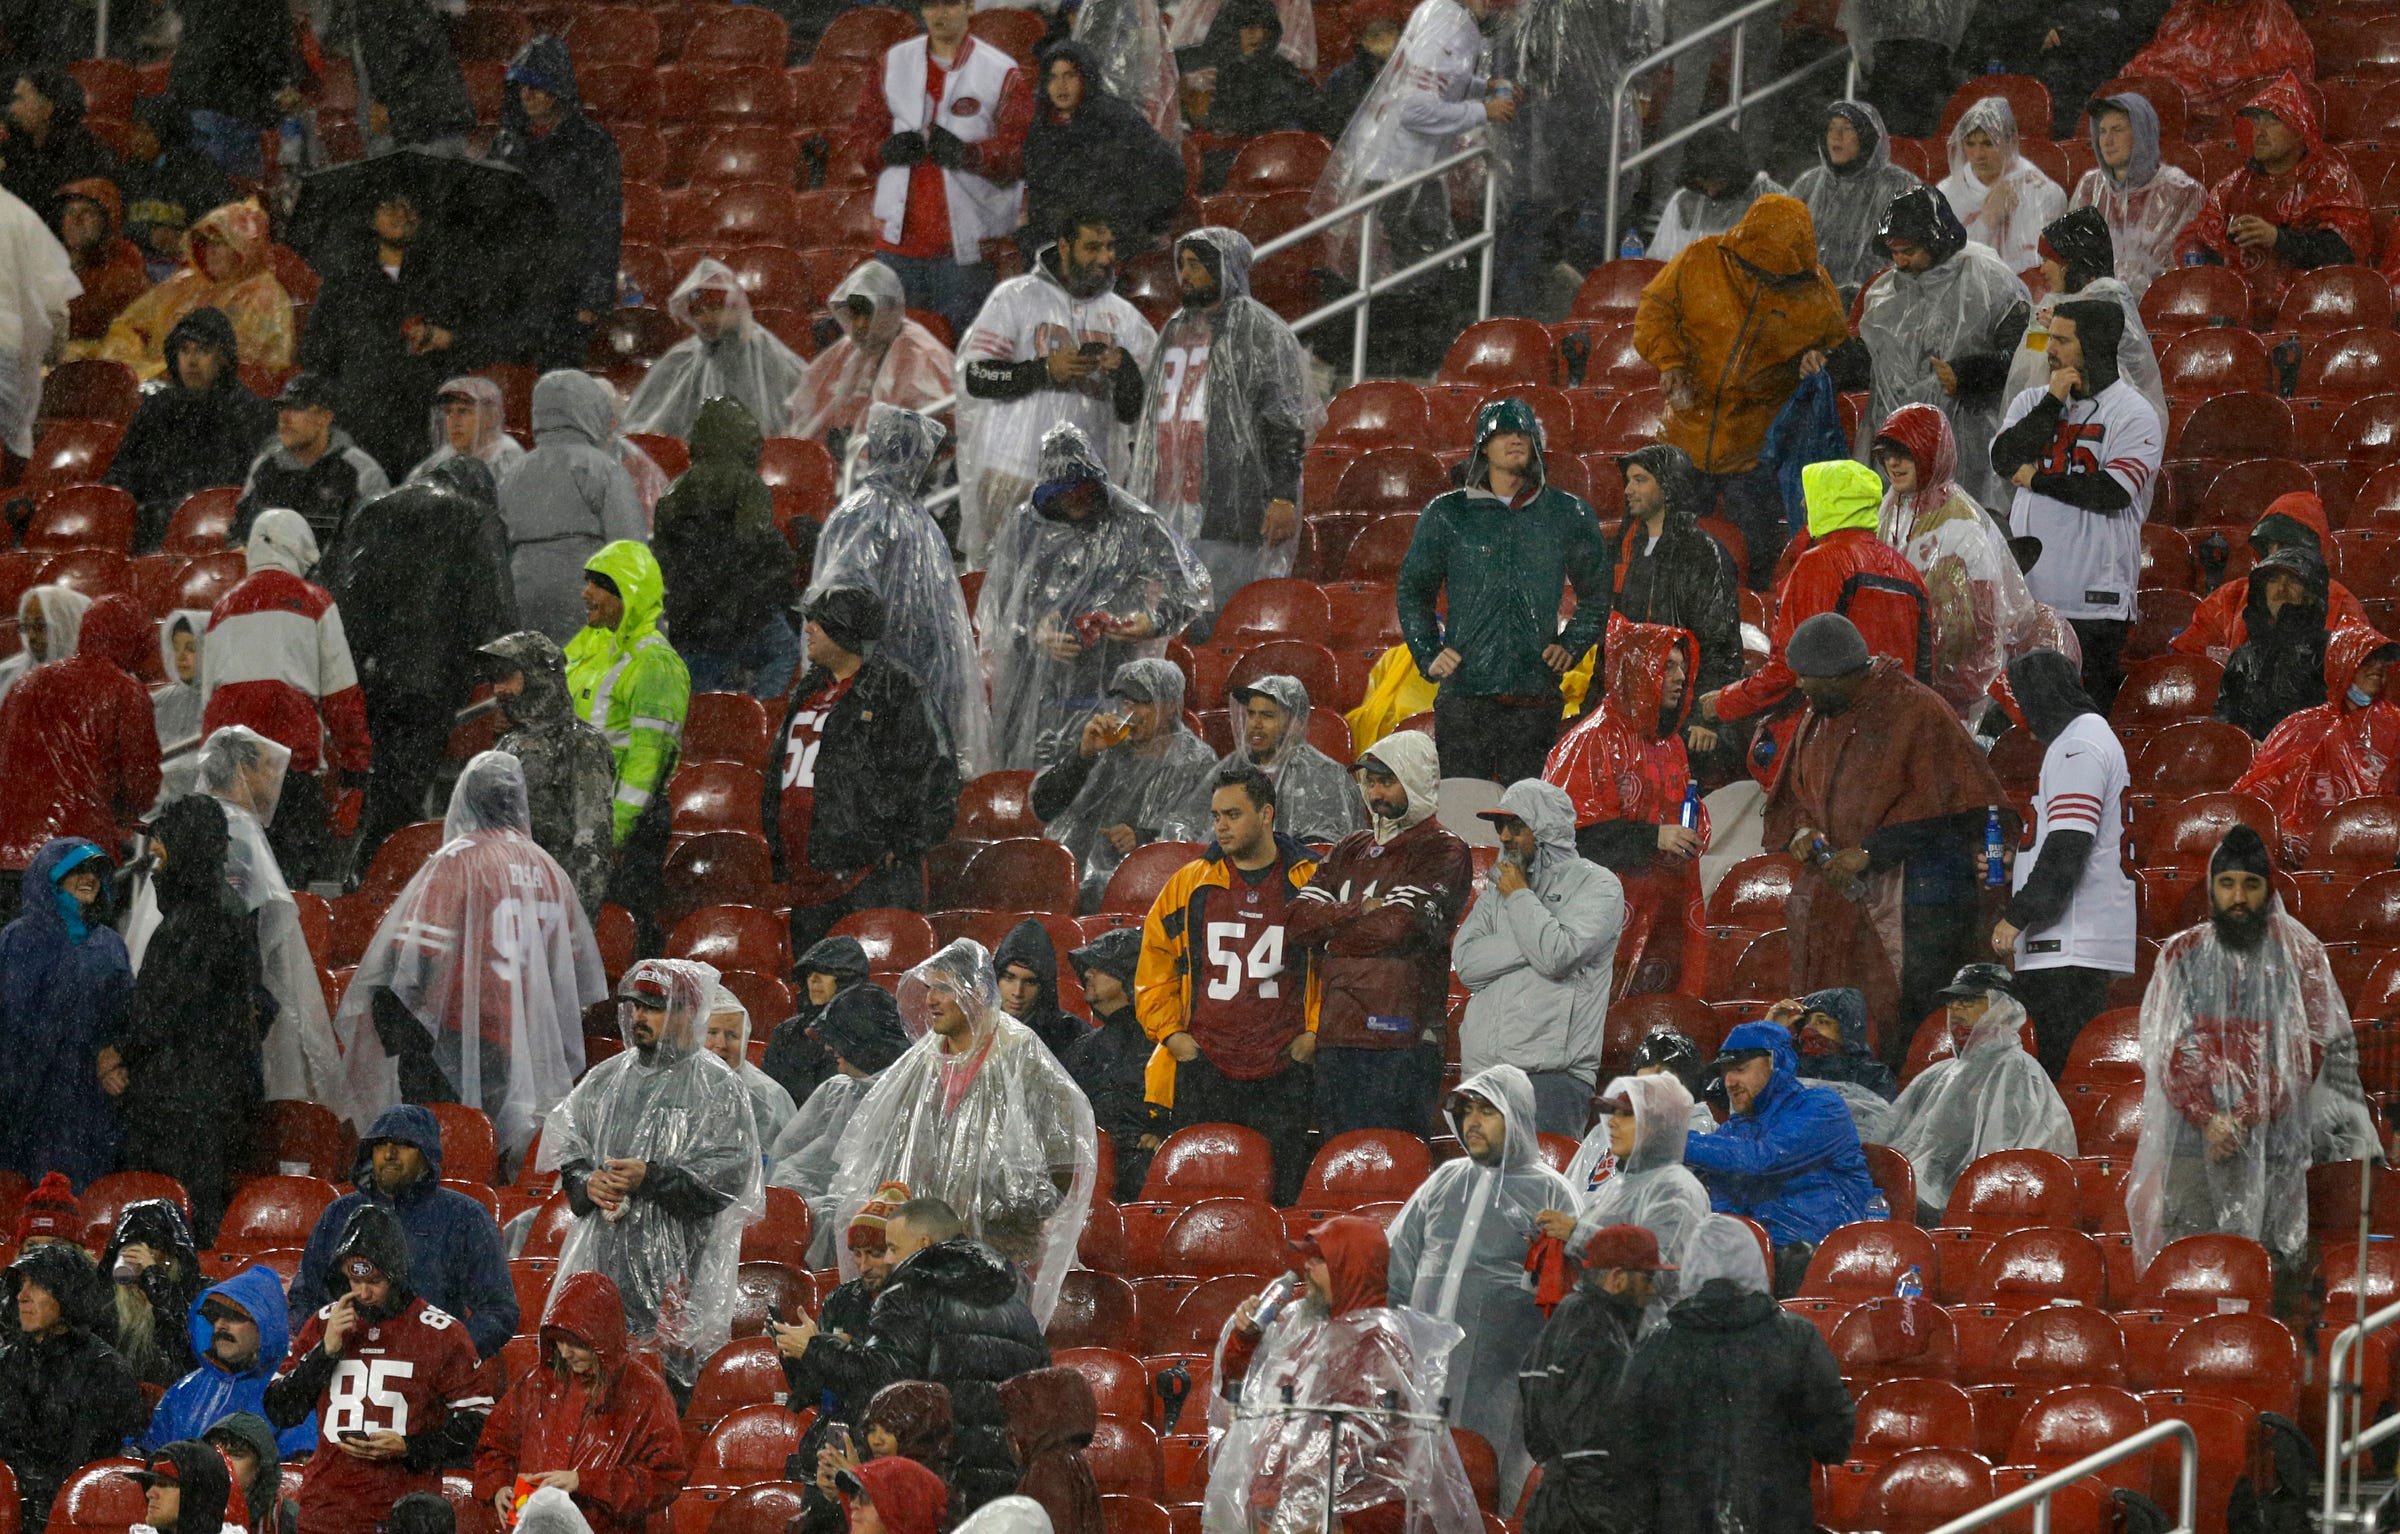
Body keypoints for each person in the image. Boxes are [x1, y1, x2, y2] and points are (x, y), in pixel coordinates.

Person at [1757, 612, 2011, 1068]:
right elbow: (1793, 795)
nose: (1802, 690)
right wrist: (1802, 832)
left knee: (1908, 1025)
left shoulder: (1916, 709)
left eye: (1809, 680)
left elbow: (1955, 808)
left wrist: (1872, 852)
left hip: (1920, 904)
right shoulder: (1819, 715)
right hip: (1840, 904)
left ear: (1842, 674)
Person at [2126, 824, 2373, 1276]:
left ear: (2268, 888)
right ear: (2211, 888)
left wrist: (2244, 1116)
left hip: (2276, 1137)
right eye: (2227, 884)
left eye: (2251, 884)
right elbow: (2167, 1048)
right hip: (2192, 1142)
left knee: (2269, 1265)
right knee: (2193, 1263)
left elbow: (2310, 1050)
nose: (2238, 897)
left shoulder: (2301, 955)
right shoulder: (2181, 954)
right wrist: (2209, 1119)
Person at [826, 944, 1098, 1322]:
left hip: (999, 1258)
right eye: (930, 989)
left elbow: (1062, 1158)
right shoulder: (922, 1060)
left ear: (978, 992)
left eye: (944, 989)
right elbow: (884, 1148)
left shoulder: (1021, 1054)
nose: (932, 1000)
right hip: (926, 1255)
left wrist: (1009, 1219)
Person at [537, 959, 763, 1392]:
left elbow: (728, 1179)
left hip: (682, 1268)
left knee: (666, 1390)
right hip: (604, 1260)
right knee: (596, 1387)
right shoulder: (605, 1079)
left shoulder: (718, 1085)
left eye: (653, 1007)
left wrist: (650, 1178)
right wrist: (587, 1182)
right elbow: (568, 1152)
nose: (638, 1016)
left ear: (685, 1012)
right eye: (634, 1006)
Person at [771, 1197, 1052, 1517]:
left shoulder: (910, 1290)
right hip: (1005, 1488)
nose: (889, 1259)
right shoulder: (1014, 1304)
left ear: (923, 1244)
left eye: (891, 1247)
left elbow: (882, 1384)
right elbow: (1041, 1387)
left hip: (936, 1481)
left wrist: (815, 1348)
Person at [1206, 1215, 1480, 1534]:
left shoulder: (1379, 1345)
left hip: (1348, 1520)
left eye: (1319, 1259)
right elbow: (1238, 1388)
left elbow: (1353, 1450)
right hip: (1280, 1511)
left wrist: (1303, 1515)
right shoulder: (1300, 1326)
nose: (1306, 1266)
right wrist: (1246, 1337)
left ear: (1349, 1269)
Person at [1631, 197, 1848, 589]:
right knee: (1657, 555)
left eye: (1775, 275)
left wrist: (1817, 358)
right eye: (1754, 269)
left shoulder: (1816, 292)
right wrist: (1671, 362)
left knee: (1756, 560)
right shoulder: (1699, 260)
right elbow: (1654, 309)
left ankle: (1755, 627)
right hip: (1683, 438)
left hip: (1755, 451)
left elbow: (1837, 349)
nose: (1764, 279)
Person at [1384, 1066, 1573, 1501]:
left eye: (1487, 1111)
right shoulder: (1444, 1181)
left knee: (1487, 1489)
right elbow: (1397, 1266)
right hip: (1421, 1370)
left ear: (1519, 1116)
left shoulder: (1554, 1194)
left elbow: (1564, 1302)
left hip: (1499, 1381)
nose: (1472, 1122)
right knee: (1413, 1499)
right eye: (1467, 1111)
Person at [1397, 399, 1610, 783]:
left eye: (1523, 432)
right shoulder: (1447, 513)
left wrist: (1573, 645)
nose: (1515, 439)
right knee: (1462, 811)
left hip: (1535, 696)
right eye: (1503, 432)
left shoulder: (1568, 514)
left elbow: (1598, 594)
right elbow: (1413, 590)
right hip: (1465, 697)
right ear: (1482, 445)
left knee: (1526, 818)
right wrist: (1428, 652)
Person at [1597, 1214, 1854, 1531]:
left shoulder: (1656, 1344)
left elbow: (1623, 1446)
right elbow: (1834, 1439)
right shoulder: (1797, 1337)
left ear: (1691, 1269)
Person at [1135, 764, 1320, 1203]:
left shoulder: (1312, 881)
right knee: (1203, 1199)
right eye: (1216, 815)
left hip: (1283, 1070)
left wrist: (1315, 1034)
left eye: (1233, 814)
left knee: (1278, 1203)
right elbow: (1154, 962)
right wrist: (1174, 1036)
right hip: (1206, 1068)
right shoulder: (1189, 883)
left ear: (1267, 814)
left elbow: (1337, 966)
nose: (1220, 825)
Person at [976, 423, 1210, 770]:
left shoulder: (1133, 522)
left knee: (1100, 782)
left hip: (1111, 683)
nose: (1075, 499)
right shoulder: (1026, 528)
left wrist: (1153, 621)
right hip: (1037, 693)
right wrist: (1034, 631)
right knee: (1037, 786)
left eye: (1082, 489)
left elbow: (1192, 587)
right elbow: (1000, 609)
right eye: (1065, 491)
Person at [322, 461, 518, 869]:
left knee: (373, 784)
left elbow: (338, 592)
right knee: (403, 794)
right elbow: (494, 608)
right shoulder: (475, 517)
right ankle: (386, 877)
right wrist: (506, 671)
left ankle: (366, 872)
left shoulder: (371, 509)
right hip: (428, 680)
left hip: (365, 678)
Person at [262, 1205, 493, 1534]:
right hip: (326, 1512)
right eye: (354, 1279)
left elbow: (478, 1426)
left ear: (397, 1275)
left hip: (404, 1516)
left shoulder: (442, 1332)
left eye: (375, 1281)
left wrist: (410, 1447)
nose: (363, 1292)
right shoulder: (324, 1324)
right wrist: (324, 1352)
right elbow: (281, 1410)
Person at [1286, 729, 1471, 1141]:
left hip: (1401, 1038)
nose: (1375, 792)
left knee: (1394, 1163)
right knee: (1339, 1160)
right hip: (1336, 1034)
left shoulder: (1444, 850)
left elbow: (1397, 929)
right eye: (1369, 782)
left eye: (1387, 780)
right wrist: (1356, 910)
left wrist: (1331, 931)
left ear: (1417, 780)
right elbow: (1296, 923)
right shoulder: (1350, 846)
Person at [1696, 461, 1929, 785]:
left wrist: (1724, 701)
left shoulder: (1819, 564)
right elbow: (1924, 674)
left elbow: (1791, 669)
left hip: (1829, 746)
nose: (1803, 504)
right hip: (1893, 744)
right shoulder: (1908, 572)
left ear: (1833, 501)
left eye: (1812, 494)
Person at [1128, 227, 1317, 622]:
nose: (1186, 276)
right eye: (1181, 266)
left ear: (1225, 267)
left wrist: (1283, 496)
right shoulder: (1174, 330)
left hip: (1230, 512)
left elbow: (1283, 421)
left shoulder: (1262, 332)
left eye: (1197, 266)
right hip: (1169, 503)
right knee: (1166, 626)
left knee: (1217, 622)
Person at [1992, 297, 2165, 715]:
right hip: (2030, 601)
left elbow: (2110, 492)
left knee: (2085, 722)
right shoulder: (2033, 401)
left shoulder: (2134, 413)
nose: (2050, 350)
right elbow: (2003, 459)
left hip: (2095, 604)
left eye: (2063, 341)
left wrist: (2036, 478)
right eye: (2051, 339)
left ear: (2095, 346)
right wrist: (2051, 405)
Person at [957, 213, 1157, 566]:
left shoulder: (1126, 318)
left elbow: (1136, 412)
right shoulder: (1016, 298)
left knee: (1079, 599)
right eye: (1092, 247)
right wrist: (1044, 369)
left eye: (1109, 247)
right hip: (1013, 473)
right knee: (1002, 592)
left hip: (1089, 489)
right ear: (1064, 247)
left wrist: (1125, 371)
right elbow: (978, 376)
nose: (1104, 258)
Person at [766, 586, 960, 950]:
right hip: (808, 878)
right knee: (813, 991)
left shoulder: (898, 690)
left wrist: (904, 844)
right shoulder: (807, 689)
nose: (806, 629)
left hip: (871, 880)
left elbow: (939, 775)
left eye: (817, 623)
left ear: (843, 631)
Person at [110, 794, 264, 1243]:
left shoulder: (202, 918)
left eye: (163, 838)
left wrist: (116, 1054)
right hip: (197, 1102)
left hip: (187, 1110)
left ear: (188, 842)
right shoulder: (214, 909)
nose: (154, 849)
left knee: (177, 1228)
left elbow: (165, 1011)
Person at [805, 405, 991, 774]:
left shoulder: (911, 519)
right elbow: (843, 605)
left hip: (908, 679)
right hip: (872, 685)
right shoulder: (865, 515)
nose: (931, 468)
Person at [200, 509, 372, 886]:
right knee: (286, 890)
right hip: (289, 773)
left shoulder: (221, 609)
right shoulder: (315, 601)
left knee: (236, 891)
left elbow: (206, 703)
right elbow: (342, 697)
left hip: (227, 775)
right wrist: (357, 771)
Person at [851, 0, 1034, 342]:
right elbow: (862, 137)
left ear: (969, 7)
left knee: (964, 356)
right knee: (897, 361)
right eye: (932, 5)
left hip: (966, 251)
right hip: (897, 247)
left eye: (949, 4)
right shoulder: (893, 62)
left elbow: (1023, 150)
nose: (940, 13)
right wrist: (885, 150)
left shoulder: (999, 70)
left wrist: (970, 154)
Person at [1451, 779, 1623, 1135]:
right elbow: (1466, 963)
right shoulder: (1499, 888)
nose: (1504, 837)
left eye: (1516, 826)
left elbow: (1557, 955)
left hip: (1551, 1079)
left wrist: (1519, 898)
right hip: (1483, 1077)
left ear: (1546, 827)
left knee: (1540, 1187)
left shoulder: (1598, 885)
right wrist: (1536, 936)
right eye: (1501, 827)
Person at [1843, 185, 2030, 510]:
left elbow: (2023, 360)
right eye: (1893, 251)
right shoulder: (1883, 295)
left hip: (1967, 446)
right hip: (1897, 451)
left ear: (1936, 241)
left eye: (1909, 251)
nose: (1900, 261)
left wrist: (1970, 375)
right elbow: (1869, 363)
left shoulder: (1989, 280)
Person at [1545, 623, 1706, 999]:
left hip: (1665, 911)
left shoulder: (1672, 743)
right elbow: (1568, 837)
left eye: (1681, 667)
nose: (1680, 677)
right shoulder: (1589, 740)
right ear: (1637, 669)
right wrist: (1654, 838)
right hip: (1605, 921)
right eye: (1666, 666)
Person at [1996, 650, 2137, 1072]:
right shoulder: (2084, 737)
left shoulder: (2080, 743)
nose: (2020, 714)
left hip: (2068, 946)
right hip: (2071, 944)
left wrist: (2017, 915)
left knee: (2057, 1075)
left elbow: (2069, 845)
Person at [288, 1106, 517, 1360]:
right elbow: (305, 1297)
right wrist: (328, 1347)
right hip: (346, 1372)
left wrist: (445, 1355)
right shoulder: (339, 1213)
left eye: (404, 1145)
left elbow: (499, 1311)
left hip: (429, 1376)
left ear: (426, 1156)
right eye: (381, 1145)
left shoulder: (464, 1216)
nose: (389, 1154)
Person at [471, 1269, 687, 1534]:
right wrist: (499, 1487)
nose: (565, 1352)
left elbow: (666, 1478)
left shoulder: (646, 1393)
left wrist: (584, 1482)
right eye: (559, 1341)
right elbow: (493, 1448)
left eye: (576, 1343)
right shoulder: (534, 1384)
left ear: (601, 1339)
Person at [1308, 0, 1511, 280]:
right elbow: (1413, 108)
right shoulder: (1450, 25)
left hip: (1389, 165)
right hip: (1400, 173)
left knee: (1405, 274)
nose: (1494, 8)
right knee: (1413, 280)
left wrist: (1482, 86)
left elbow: (1436, 78)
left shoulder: (1437, 9)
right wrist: (1482, 110)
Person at [1870, 404, 2045, 726]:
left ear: (1930, 453)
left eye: (1904, 453)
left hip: (1950, 696)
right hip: (1900, 680)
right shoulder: (1892, 506)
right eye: (1886, 454)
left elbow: (1979, 625)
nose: (1892, 463)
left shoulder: (1963, 525)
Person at [295, 185, 483, 480]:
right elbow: (315, 352)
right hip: (360, 421)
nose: (400, 214)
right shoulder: (346, 279)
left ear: (420, 218)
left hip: (423, 423)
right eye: (389, 205)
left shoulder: (444, 277)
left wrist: (445, 339)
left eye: (409, 205)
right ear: (372, 218)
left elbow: (481, 340)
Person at [0, 594, 159, 909]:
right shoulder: (126, 691)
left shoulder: (23, 685)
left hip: (10, 858)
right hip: (80, 857)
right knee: (81, 953)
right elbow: (139, 788)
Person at [1886, 964, 2076, 1220]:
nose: (1956, 1010)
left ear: (2001, 1009)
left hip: (1996, 1203)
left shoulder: (2017, 1069)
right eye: (1953, 1002)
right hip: (1931, 1199)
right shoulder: (1940, 1073)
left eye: (1970, 1001)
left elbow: (2010, 1156)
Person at [2177, 78, 2370, 329]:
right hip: (2237, 317)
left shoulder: (2332, 180)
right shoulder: (2233, 187)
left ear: (2300, 129)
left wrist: (2277, 239)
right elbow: (2199, 240)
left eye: (2273, 121)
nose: (2260, 131)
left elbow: (2344, 252)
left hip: (2313, 313)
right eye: (2257, 121)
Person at [1517, 1223, 1671, 1534]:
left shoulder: (1571, 1314)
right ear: (1616, 1278)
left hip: (1555, 1503)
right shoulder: (1597, 1335)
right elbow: (1588, 1451)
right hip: (1585, 1514)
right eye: (1646, 1278)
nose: (1651, 1290)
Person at [1028, 657, 1217, 912]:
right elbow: (1044, 806)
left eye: (1143, 703)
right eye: (1126, 702)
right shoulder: (1104, 747)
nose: (1131, 712)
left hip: (1149, 891)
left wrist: (1142, 838)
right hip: (1074, 885)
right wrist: (1083, 756)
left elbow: (1198, 834)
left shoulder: (1196, 761)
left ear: (1171, 707)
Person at [1683, 1024, 1878, 1265]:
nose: (1729, 1082)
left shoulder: (1823, 1108)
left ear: (1777, 1064)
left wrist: (1672, 1139)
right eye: (1725, 1073)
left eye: (1740, 1069)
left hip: (1829, 1259)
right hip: (1756, 1257)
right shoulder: (1736, 1128)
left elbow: (1763, 1159)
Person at [566, 541, 689, 919]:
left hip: (626, 831)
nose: (586, 593)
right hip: (585, 814)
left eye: (600, 585)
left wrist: (610, 836)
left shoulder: (655, 664)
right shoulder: (593, 645)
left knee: (619, 929)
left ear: (629, 594)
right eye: (588, 582)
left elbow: (645, 768)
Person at [649, 396, 799, 698]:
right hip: (741, 616)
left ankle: (706, 726)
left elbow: (663, 559)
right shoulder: (748, 486)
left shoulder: (671, 492)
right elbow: (753, 547)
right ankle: (755, 711)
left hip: (691, 621)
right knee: (785, 651)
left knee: (699, 689)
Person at [0, 839, 130, 1186]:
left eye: (95, 872)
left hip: (87, 1104)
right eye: (76, 871)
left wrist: (117, 1059)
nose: (89, 879)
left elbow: (126, 1016)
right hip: (24, 1099)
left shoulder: (109, 945)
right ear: (51, 877)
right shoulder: (16, 941)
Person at [1583, 446, 1743, 724]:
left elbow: (1720, 642)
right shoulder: (1626, 548)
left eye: (1640, 480)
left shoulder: (1702, 550)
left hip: (1679, 710)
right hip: (1629, 707)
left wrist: (1706, 721)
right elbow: (1612, 639)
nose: (1628, 490)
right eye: (1628, 481)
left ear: (1669, 486)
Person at [491, 37, 621, 369]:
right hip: (512, 294)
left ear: (557, 89)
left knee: (557, 391)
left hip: (566, 294)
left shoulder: (593, 146)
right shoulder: (506, 146)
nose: (526, 95)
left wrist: (592, 297)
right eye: (521, 86)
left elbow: (604, 223)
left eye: (536, 86)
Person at [0, 1244, 147, 1533]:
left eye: (38, 1285)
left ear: (67, 1295)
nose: (22, 1296)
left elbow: (85, 1468)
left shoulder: (105, 1371)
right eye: (21, 1284)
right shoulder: (6, 1362)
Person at [1538, 1073, 1711, 1317]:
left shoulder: (1675, 1188)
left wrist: (1578, 1235)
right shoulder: (1618, 1185)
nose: (1611, 1123)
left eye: (1626, 1114)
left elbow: (1659, 1274)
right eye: (1613, 1112)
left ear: (1656, 1125)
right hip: (1604, 1322)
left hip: (1652, 1334)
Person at [104, 307, 278, 548]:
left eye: (203, 351)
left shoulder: (252, 414)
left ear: (223, 357)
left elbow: (259, 492)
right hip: (152, 537)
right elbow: (122, 477)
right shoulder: (156, 409)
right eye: (184, 350)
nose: (192, 361)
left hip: (224, 538)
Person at [2002, 209, 2168, 460]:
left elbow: (2123, 378)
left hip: (2101, 438)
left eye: (2050, 260)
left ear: (2074, 263)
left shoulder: (2111, 299)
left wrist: (2066, 330)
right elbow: (2023, 375)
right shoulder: (2046, 308)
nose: (2043, 269)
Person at [497, 372, 647, 645]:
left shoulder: (513, 473)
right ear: (591, 410)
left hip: (523, 603)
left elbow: (499, 547)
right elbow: (630, 549)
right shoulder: (603, 469)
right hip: (586, 598)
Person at [2235, 624, 2400, 862]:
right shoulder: (2300, 726)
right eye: (2367, 660)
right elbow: (2259, 788)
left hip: (2381, 840)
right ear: (2342, 664)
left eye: (2383, 661)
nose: (2378, 667)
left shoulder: (2394, 723)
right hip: (2301, 846)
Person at [479, 631, 616, 919]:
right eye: (495, 679)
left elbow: (591, 844)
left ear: (537, 675)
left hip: (549, 911)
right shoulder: (508, 743)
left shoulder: (581, 744)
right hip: (503, 910)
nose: (498, 689)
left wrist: (573, 927)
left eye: (507, 677)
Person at [765, 987, 911, 1255]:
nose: (828, 1047)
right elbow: (790, 1162)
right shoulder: (836, 1092)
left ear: (864, 1041)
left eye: (837, 1039)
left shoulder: (912, 1102)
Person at [1018, 42, 1182, 269]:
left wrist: (1137, 221)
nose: (1061, 86)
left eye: (1069, 75)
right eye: (1053, 77)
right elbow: (1040, 194)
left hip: (1110, 239)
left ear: (1085, 78)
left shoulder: (1117, 120)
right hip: (1054, 241)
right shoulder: (1039, 126)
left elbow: (1167, 171)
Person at [100, 200, 296, 383]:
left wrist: (164, 371)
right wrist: (133, 362)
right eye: (207, 241)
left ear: (244, 249)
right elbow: (129, 326)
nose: (211, 250)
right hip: (153, 383)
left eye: (220, 242)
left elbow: (242, 363)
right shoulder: (185, 282)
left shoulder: (263, 294)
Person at [141, 1263, 320, 1456]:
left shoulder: (290, 1392)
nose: (220, 1325)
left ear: (266, 1327)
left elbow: (294, 1475)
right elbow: (150, 1452)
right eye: (214, 1316)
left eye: (234, 1316)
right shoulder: (186, 1388)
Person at [775, 1181, 913, 1428]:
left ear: (899, 1251)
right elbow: (813, 1392)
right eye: (857, 1253)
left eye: (874, 1253)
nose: (863, 1265)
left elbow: (882, 1381)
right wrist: (794, 1354)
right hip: (840, 1434)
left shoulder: (914, 1304)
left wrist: (817, 1350)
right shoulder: (841, 1301)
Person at [622, 263, 807, 442]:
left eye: (716, 308)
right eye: (700, 311)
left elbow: (800, 411)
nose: (707, 318)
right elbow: (648, 428)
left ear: (736, 307)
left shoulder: (768, 355)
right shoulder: (681, 359)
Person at [786, 263, 956, 457]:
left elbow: (928, 425)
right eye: (853, 314)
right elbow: (811, 401)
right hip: (851, 463)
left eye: (867, 314)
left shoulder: (922, 354)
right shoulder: (850, 348)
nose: (858, 324)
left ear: (887, 309)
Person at [2173, 493, 2365, 661]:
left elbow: (2362, 673)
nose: (2276, 554)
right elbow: (2188, 662)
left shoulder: (2342, 605)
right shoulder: (2229, 597)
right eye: (2271, 544)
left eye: (2286, 545)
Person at [1193, 677, 1367, 845]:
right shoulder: (1232, 766)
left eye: (1267, 716)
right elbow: (1188, 821)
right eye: (1251, 714)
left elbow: (1326, 846)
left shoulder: (1326, 775)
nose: (1255, 724)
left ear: (1296, 724)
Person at [231, 371, 395, 547]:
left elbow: (380, 545)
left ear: (325, 418)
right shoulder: (265, 466)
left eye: (297, 408)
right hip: (274, 572)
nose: (285, 418)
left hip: (336, 573)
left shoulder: (362, 471)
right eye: (281, 408)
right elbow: (239, 535)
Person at [2069, 92, 2207, 297]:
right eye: (2102, 131)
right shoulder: (2090, 186)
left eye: (2117, 130)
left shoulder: (2182, 192)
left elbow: (2186, 275)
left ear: (2142, 134)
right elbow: (2071, 261)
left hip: (2157, 310)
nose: (2107, 141)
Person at [1060, 928, 1161, 1200]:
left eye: (1100, 967)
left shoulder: (1164, 1045)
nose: (1087, 974)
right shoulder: (1083, 1047)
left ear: (1128, 976)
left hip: (1143, 1179)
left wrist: (1166, 1132)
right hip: (1084, 1176)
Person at [2126, 0, 2315, 138]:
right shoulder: (2188, 10)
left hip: (2233, 121)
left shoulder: (2266, 9)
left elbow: (2284, 76)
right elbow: (2152, 59)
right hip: (2174, 118)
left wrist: (2197, 78)